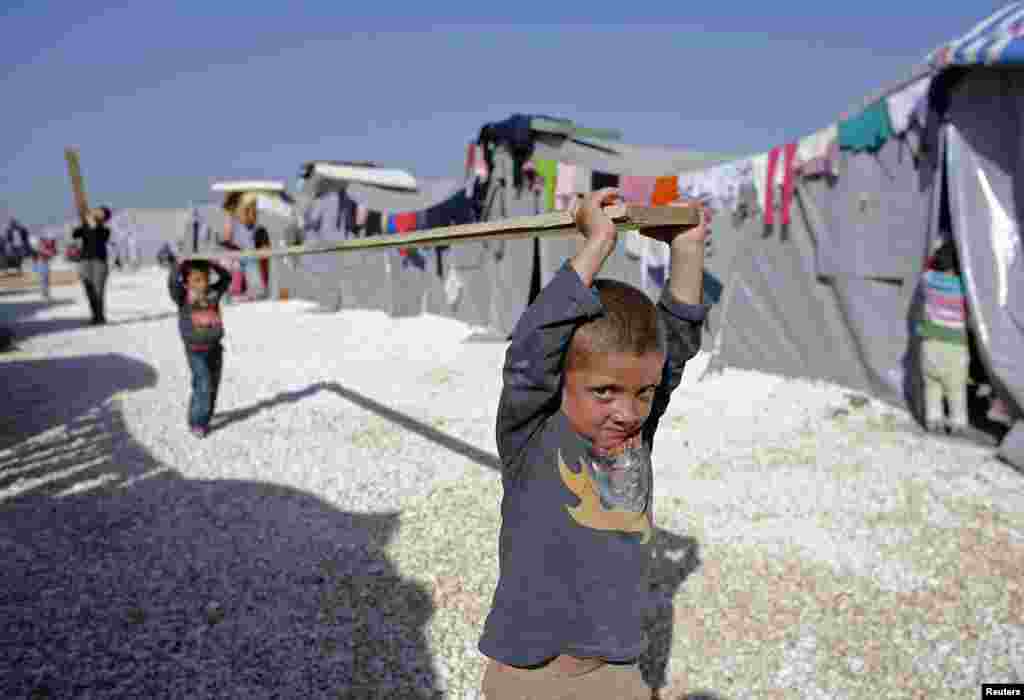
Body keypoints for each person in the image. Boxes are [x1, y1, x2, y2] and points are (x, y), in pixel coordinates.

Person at [478, 188, 709, 700]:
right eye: (604, 391)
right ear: (561, 379)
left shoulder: (633, 435)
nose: (627, 411)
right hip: (528, 675)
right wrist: (597, 243)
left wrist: (688, 248)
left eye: (643, 393)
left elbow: (677, 342)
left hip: (614, 670)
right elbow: (531, 350)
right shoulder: (532, 431)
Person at [168, 256, 231, 438]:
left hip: (215, 348)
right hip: (195, 351)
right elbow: (173, 283)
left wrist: (214, 264)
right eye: (197, 280)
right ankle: (197, 422)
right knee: (203, 384)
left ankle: (204, 414)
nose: (202, 284)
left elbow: (226, 278)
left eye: (205, 279)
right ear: (187, 281)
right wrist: (179, 265)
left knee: (211, 386)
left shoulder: (213, 294)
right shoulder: (183, 297)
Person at [917, 240, 969, 436]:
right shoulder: (963, 286)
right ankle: (957, 423)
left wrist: (936, 250)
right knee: (956, 389)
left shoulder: (928, 280)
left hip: (930, 343)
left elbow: (927, 267)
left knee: (932, 386)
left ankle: (933, 421)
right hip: (954, 346)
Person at [72, 206, 114, 324]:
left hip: (99, 262)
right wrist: (83, 223)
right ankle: (95, 316)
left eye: (100, 212)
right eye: (96, 211)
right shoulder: (87, 226)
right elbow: (75, 234)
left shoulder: (105, 229)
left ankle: (100, 317)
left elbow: (99, 235)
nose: (95, 212)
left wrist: (90, 223)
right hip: (85, 261)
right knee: (89, 289)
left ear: (104, 217)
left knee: (98, 290)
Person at [32, 233, 57, 301]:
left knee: (45, 279)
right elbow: (43, 252)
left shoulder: (47, 245)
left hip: (44, 263)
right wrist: (49, 252)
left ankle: (46, 294)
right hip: (41, 263)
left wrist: (50, 252)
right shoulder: (41, 245)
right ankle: (44, 294)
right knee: (43, 279)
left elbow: (52, 253)